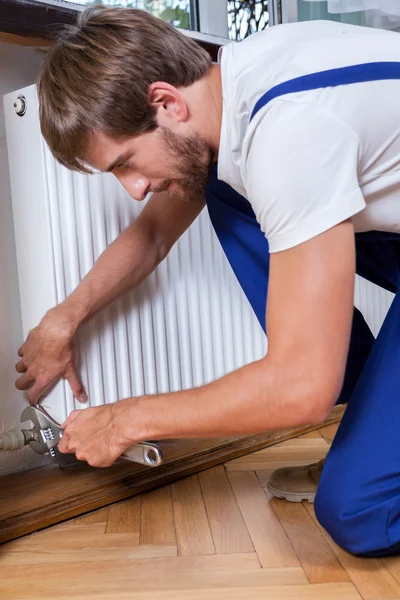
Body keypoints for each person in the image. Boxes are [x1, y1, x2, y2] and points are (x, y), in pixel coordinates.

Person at [14, 6, 400, 556]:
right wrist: (64, 319)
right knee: (222, 190)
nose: (134, 188)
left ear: (167, 102)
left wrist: (126, 420)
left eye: (126, 163)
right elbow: (152, 235)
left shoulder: (289, 131)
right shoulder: (235, 89)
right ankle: (375, 431)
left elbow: (300, 392)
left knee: (361, 511)